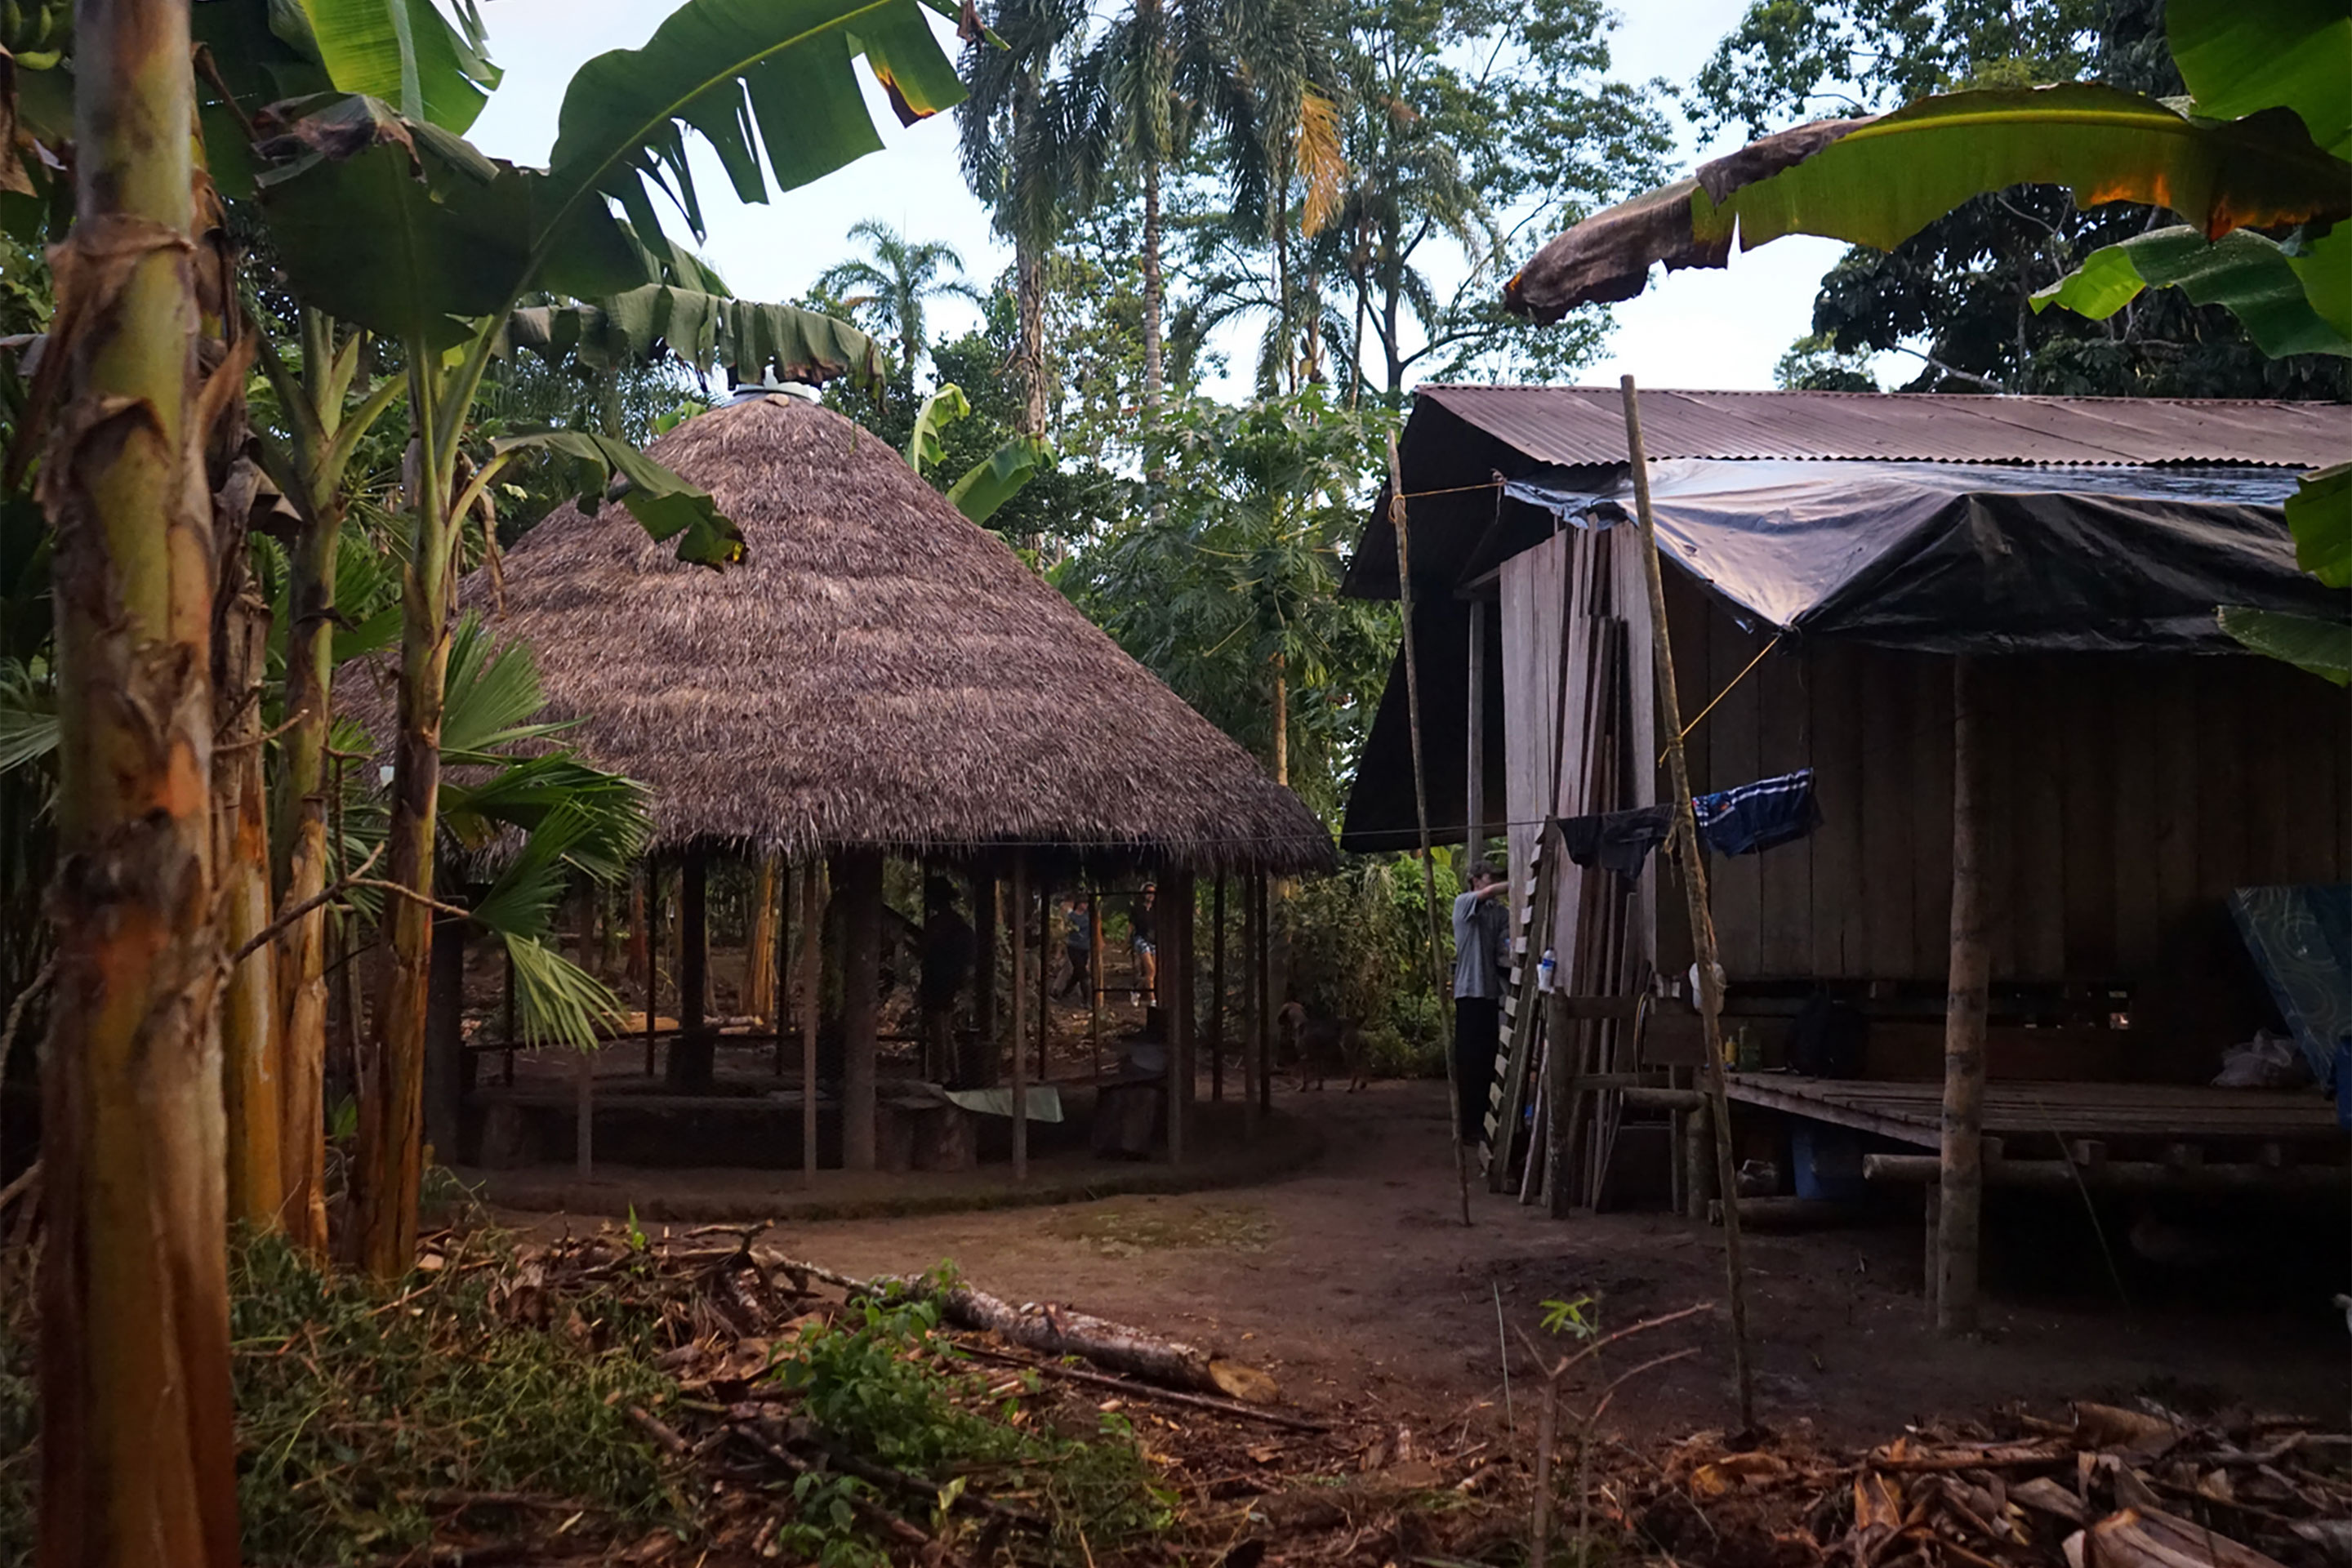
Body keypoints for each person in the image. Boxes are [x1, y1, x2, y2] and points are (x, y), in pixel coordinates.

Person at [1450, 861, 1512, 1144]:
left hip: (1489, 994)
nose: (1496, 883)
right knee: (1469, 1063)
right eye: (1491, 877)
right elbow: (1489, 893)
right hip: (1468, 993)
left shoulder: (1499, 913)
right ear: (1475, 880)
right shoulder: (1464, 904)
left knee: (1487, 1061)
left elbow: (1505, 947)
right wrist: (1518, 881)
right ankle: (1467, 1126)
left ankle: (1484, 1122)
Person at [919, 875, 975, 1084]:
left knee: (938, 1028)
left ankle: (940, 1074)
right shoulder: (959, 924)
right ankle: (953, 1073)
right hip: (951, 979)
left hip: (937, 979)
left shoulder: (937, 925)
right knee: (945, 1028)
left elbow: (925, 950)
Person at [1056, 890, 1093, 999]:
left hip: (1085, 947)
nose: (1085, 905)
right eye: (1083, 903)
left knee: (1077, 973)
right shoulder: (1071, 916)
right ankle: (1086, 999)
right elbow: (1064, 931)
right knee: (1083, 973)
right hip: (1073, 947)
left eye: (1086, 903)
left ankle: (1065, 992)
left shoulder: (1089, 916)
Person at [1129, 883, 1157, 1007]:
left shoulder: (1157, 910)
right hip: (1141, 939)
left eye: (1153, 892)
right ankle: (1153, 1000)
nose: (1151, 895)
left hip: (1154, 941)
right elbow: (1131, 927)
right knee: (1150, 970)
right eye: (1148, 892)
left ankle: (1136, 990)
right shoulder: (1137, 909)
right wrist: (1127, 943)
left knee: (1152, 973)